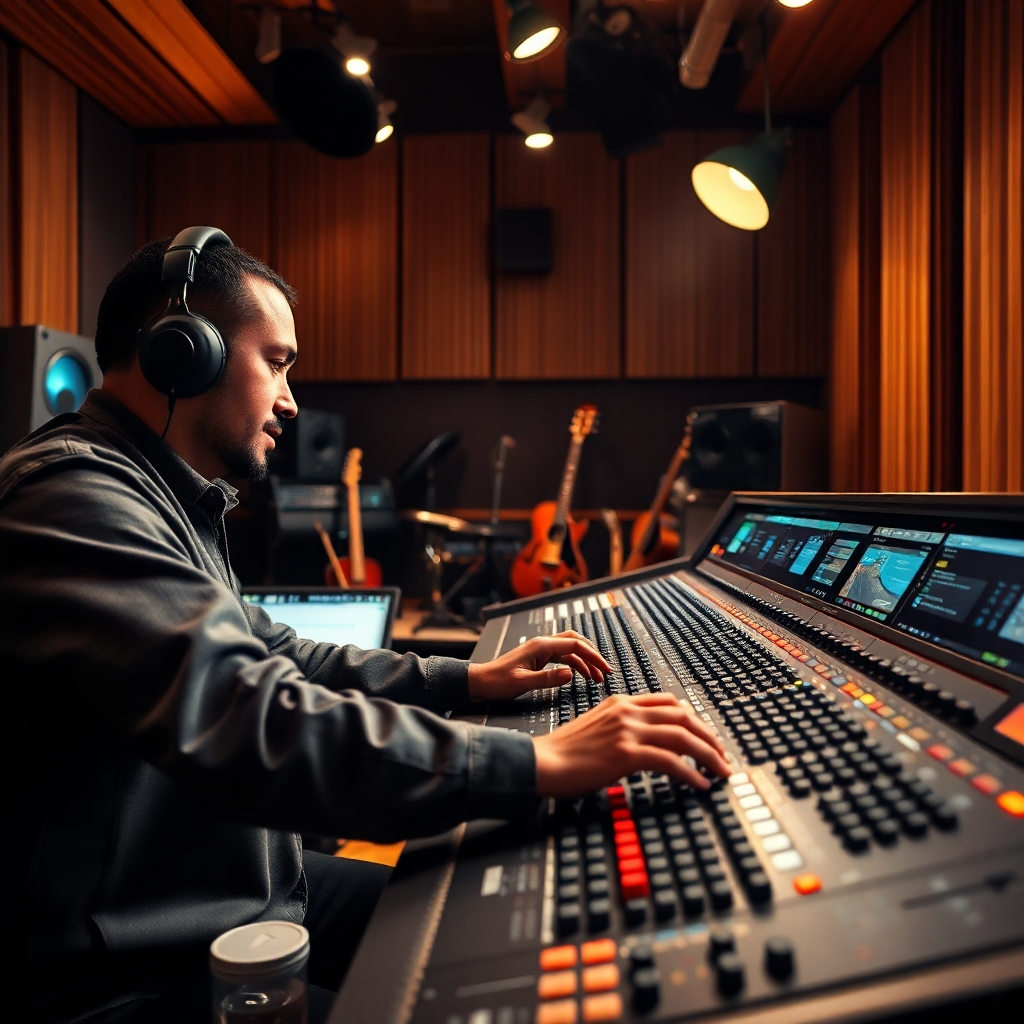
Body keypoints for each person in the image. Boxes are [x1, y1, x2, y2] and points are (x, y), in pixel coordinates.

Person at [0, 234, 730, 1023]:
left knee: (493, 927)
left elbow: (276, 652)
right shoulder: (70, 498)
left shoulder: (163, 496)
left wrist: (465, 679)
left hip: (235, 893)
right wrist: (533, 760)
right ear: (183, 355)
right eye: (276, 363)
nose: (291, 400)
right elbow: (246, 717)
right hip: (129, 971)